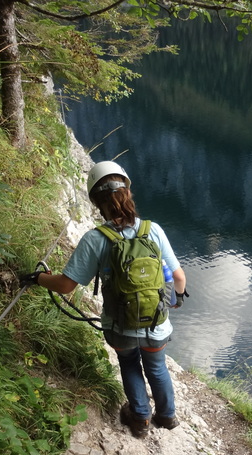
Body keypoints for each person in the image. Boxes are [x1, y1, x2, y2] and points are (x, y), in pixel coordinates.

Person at [19, 160, 187, 439]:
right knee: (157, 367)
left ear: (97, 203)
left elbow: (65, 286)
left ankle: (141, 420)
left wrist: (38, 278)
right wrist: (177, 299)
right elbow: (179, 278)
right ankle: (167, 416)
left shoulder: (95, 240)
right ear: (128, 193)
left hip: (120, 327)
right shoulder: (153, 230)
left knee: (130, 365)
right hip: (156, 324)